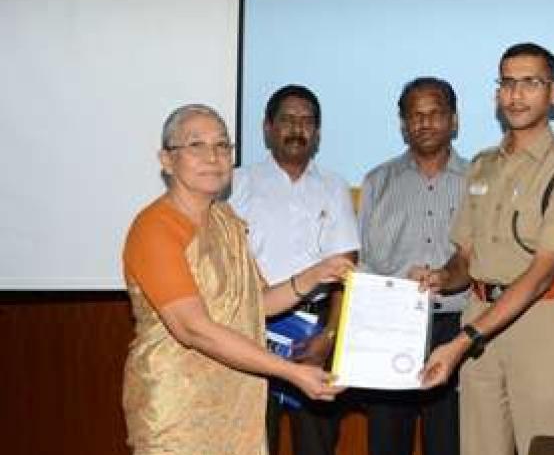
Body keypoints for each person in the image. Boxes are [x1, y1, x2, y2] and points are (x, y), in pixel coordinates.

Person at [121, 104, 348, 455]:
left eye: (223, 146)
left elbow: (258, 303)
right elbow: (192, 329)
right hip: (178, 406)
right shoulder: (154, 228)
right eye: (196, 145)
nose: (213, 157)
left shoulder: (226, 219)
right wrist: (293, 373)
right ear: (167, 160)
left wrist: (316, 274)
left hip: (238, 400)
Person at [413, 43, 554, 455]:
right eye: (508, 83)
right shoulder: (482, 165)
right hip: (479, 314)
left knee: (548, 447)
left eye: (530, 83)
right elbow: (465, 258)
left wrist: (464, 340)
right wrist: (441, 277)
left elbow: (541, 275)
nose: (517, 95)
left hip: (540, 324)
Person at [230, 85, 360, 455]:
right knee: (254, 442)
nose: (297, 129)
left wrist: (330, 336)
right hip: (251, 330)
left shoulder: (333, 186)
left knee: (317, 446)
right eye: (287, 119)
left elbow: (346, 269)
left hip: (313, 335)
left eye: (306, 122)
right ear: (267, 127)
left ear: (317, 133)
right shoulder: (236, 184)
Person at [358, 77, 468, 455]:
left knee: (449, 442)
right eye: (415, 115)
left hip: (455, 327)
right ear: (403, 123)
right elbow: (366, 262)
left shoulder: (479, 181)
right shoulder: (377, 182)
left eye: (436, 113)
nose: (425, 123)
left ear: (454, 120)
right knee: (387, 442)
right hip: (391, 328)